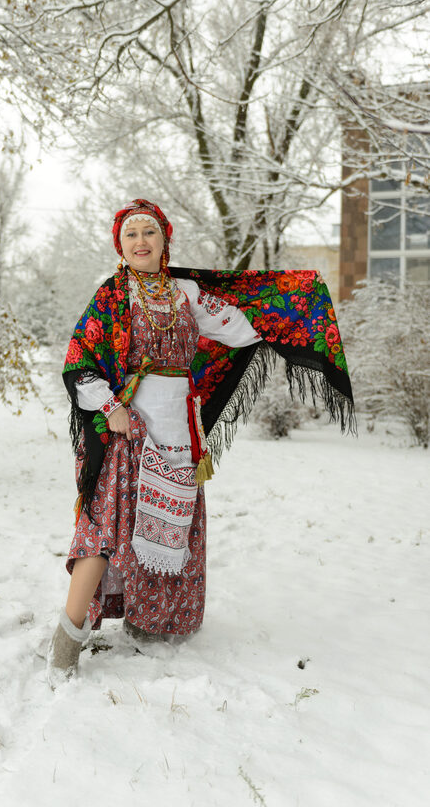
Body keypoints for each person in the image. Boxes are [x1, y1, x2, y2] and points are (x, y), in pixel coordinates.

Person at [48, 199, 354, 686]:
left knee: (167, 532)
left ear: (165, 240)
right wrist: (112, 409)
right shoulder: (111, 297)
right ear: (119, 245)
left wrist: (292, 302)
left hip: (178, 433)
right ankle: (65, 646)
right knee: (102, 533)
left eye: (149, 232)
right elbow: (79, 361)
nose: (141, 241)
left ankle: (150, 625)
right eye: (131, 235)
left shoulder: (188, 293)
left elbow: (243, 328)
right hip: (126, 431)